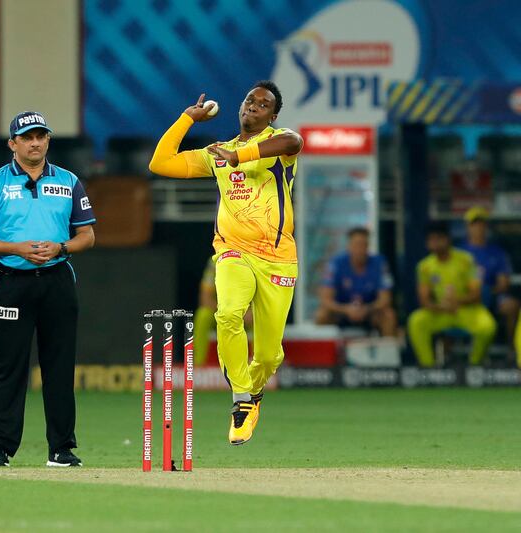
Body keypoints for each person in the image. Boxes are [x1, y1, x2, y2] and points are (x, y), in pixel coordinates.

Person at [149, 81, 302, 446]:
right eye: (250, 99)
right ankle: (241, 400)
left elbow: (294, 141)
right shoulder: (219, 152)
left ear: (273, 115)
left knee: (268, 354)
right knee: (227, 315)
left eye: (263, 104)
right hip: (232, 251)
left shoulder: (278, 143)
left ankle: (254, 392)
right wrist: (186, 119)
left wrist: (242, 156)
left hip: (278, 260)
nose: (253, 105)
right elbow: (161, 163)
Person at [0, 111, 96, 468]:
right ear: (13, 143)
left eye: (41, 136)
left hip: (57, 281)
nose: (35, 142)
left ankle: (62, 448)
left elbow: (87, 235)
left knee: (60, 367)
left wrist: (62, 248)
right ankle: (0, 448)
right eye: (27, 137)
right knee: (9, 369)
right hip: (11, 282)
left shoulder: (69, 181)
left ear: (48, 140)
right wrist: (17, 248)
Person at [407, 222, 496, 367]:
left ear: (447, 239)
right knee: (416, 321)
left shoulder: (466, 259)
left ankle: (473, 364)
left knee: (487, 326)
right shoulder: (424, 266)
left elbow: (476, 294)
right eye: (430, 240)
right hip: (441, 312)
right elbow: (424, 300)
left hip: (466, 310)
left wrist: (457, 301)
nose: (434, 243)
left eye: (438, 239)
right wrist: (439, 306)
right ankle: (428, 367)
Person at [458, 206, 520, 362]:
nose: (478, 228)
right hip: (465, 298)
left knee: (511, 305)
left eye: (481, 224)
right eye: (474, 224)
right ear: (467, 227)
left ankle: (512, 349)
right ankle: (446, 359)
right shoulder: (459, 252)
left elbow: (503, 283)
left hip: (492, 295)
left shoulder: (496, 251)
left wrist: (485, 292)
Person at [315, 227, 397, 336]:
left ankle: (386, 351)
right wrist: (346, 310)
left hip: (369, 312)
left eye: (363, 245)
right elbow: (326, 299)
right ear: (348, 246)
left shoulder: (379, 263)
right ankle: (326, 351)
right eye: (356, 245)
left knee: (389, 316)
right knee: (321, 315)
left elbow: (385, 299)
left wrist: (366, 309)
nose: (360, 249)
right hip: (342, 312)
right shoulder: (336, 264)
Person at [194, 255, 253, 366]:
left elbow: (261, 298)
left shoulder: (252, 262)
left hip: (244, 314)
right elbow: (205, 299)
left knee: (260, 317)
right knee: (203, 315)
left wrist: (250, 311)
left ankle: (259, 367)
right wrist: (227, 311)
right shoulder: (215, 262)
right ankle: (198, 366)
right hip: (220, 311)